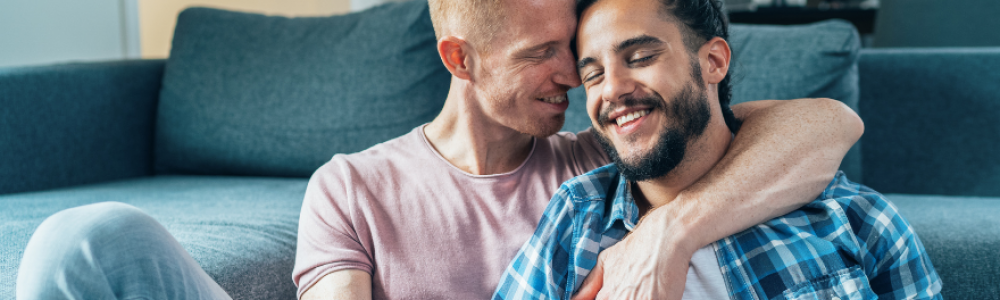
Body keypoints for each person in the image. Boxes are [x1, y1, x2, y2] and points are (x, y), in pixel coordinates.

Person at [16, 0, 864, 299]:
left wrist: (672, 235)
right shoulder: (351, 187)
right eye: (544, 54)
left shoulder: (592, 161)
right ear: (460, 60)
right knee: (84, 243)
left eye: (574, 48)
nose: (576, 75)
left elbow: (828, 124)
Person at [491, 0, 942, 299]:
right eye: (592, 75)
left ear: (714, 62)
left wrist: (668, 234)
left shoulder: (854, 216)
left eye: (641, 57)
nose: (613, 89)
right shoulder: (576, 219)